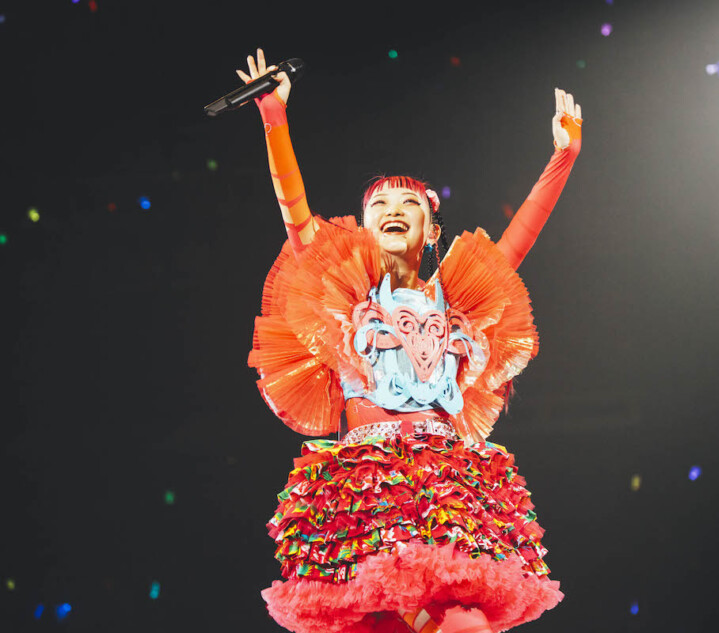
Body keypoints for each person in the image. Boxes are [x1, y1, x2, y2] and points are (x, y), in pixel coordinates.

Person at [240, 48, 582, 633]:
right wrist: (274, 120)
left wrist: (564, 156)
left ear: (430, 229)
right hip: (368, 485)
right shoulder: (344, 296)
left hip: (448, 485)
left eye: (410, 205)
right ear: (364, 227)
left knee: (461, 624)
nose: (394, 210)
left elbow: (520, 238)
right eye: (380, 204)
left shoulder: (456, 302)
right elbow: (294, 211)